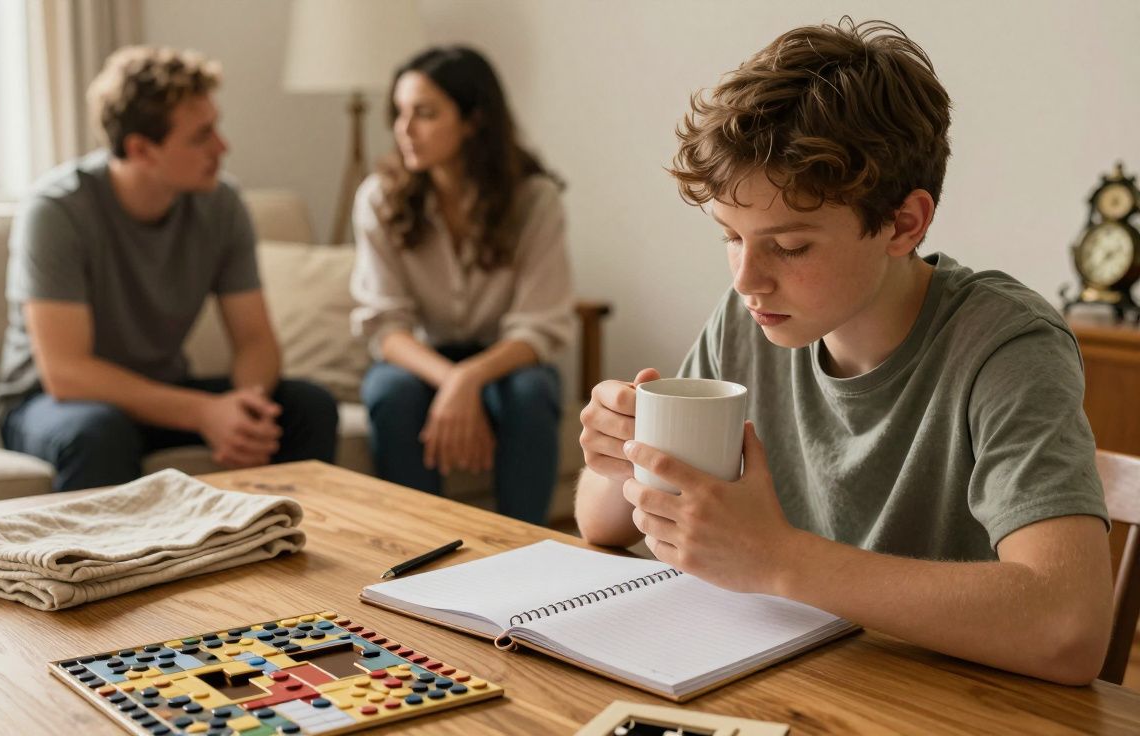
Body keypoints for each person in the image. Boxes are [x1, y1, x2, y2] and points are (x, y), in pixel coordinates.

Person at [574, 19, 1113, 685]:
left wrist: (776, 559)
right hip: (791, 686)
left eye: (791, 246)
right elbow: (599, 523)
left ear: (903, 223)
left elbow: (1068, 628)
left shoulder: (1004, 344)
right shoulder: (752, 320)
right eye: (730, 237)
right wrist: (617, 453)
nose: (746, 279)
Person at [0, 46, 338, 492]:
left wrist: (244, 409)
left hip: (161, 390)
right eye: (201, 136)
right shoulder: (57, 211)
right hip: (49, 403)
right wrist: (203, 412)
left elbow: (255, 338)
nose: (222, 146)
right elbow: (66, 372)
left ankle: (287, 550)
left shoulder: (221, 204)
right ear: (142, 149)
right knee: (97, 431)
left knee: (309, 405)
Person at [350, 46, 576, 525]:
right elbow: (385, 327)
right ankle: (416, 546)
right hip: (419, 361)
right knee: (391, 392)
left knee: (531, 391)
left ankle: (525, 548)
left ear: (473, 120)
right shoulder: (379, 199)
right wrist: (451, 380)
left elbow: (540, 325)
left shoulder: (534, 201)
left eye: (425, 114)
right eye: (400, 113)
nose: (403, 130)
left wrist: (470, 377)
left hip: (503, 362)